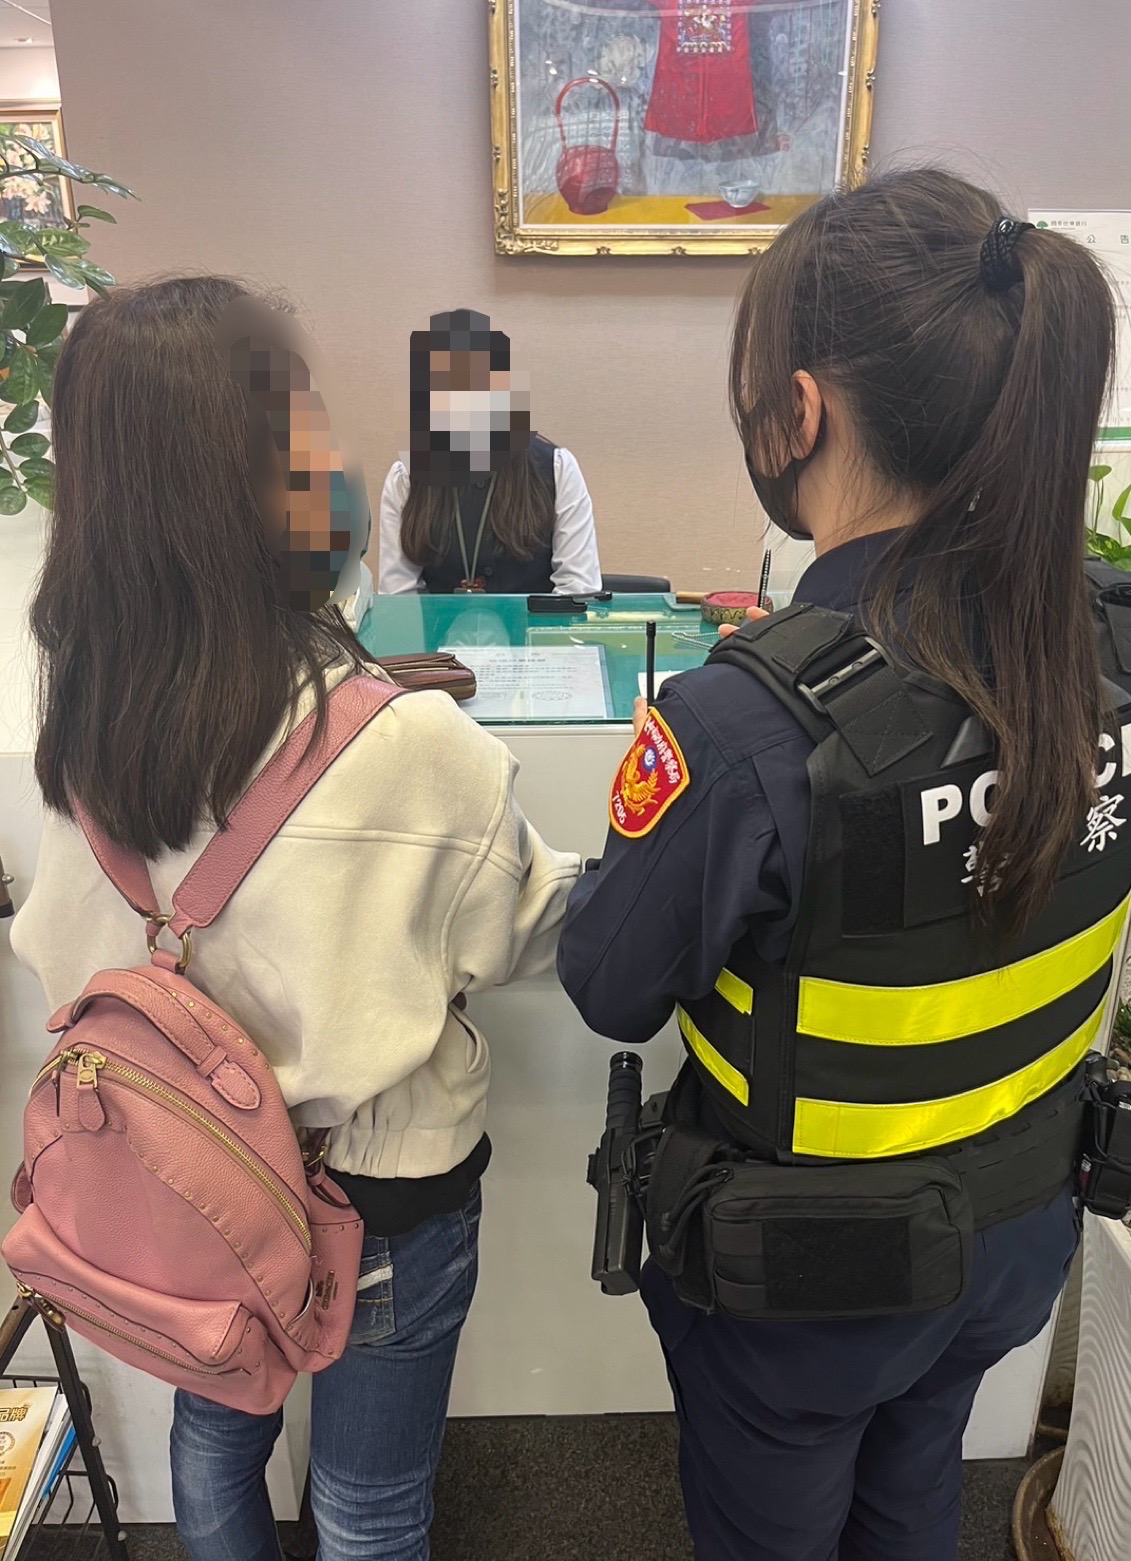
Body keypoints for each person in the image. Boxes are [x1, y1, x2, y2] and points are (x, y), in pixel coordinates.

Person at [558, 168, 1131, 1561]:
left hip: (805, 1284)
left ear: (800, 409)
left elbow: (609, 983)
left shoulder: (745, 726)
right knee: (910, 1495)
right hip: (1012, 1229)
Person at [11, 276, 581, 1561]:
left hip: (178, 1177)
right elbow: (526, 928)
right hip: (377, 1195)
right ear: (269, 475)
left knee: (215, 1436)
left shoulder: (82, 736)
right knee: (368, 1503)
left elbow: (54, 948)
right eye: (308, 420)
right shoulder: (410, 744)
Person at [378, 308, 602, 596]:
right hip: (433, 628)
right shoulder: (405, 478)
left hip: (537, 627)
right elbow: (398, 597)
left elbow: (578, 589)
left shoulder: (557, 468)